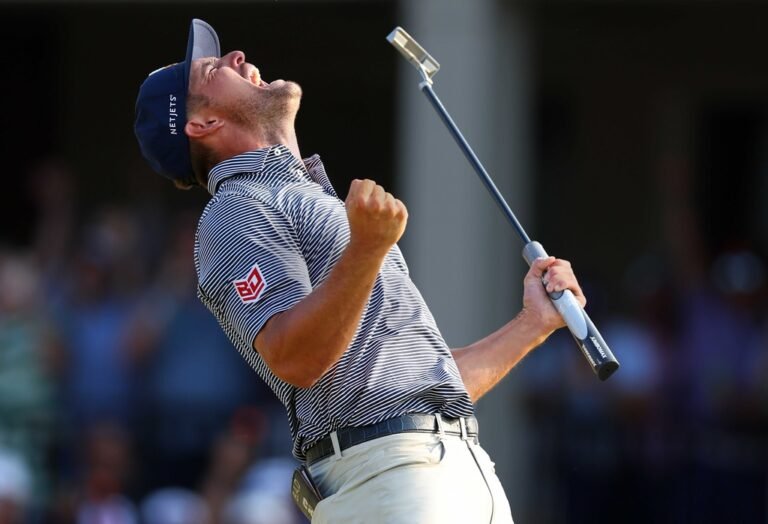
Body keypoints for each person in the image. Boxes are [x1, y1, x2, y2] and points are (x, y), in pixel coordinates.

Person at [134, 18, 586, 523]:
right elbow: (295, 356)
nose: (237, 56)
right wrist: (366, 250)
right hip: (390, 478)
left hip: (451, 471)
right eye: (214, 68)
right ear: (202, 125)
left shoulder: (301, 195)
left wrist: (533, 324)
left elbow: (426, 386)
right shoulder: (235, 210)